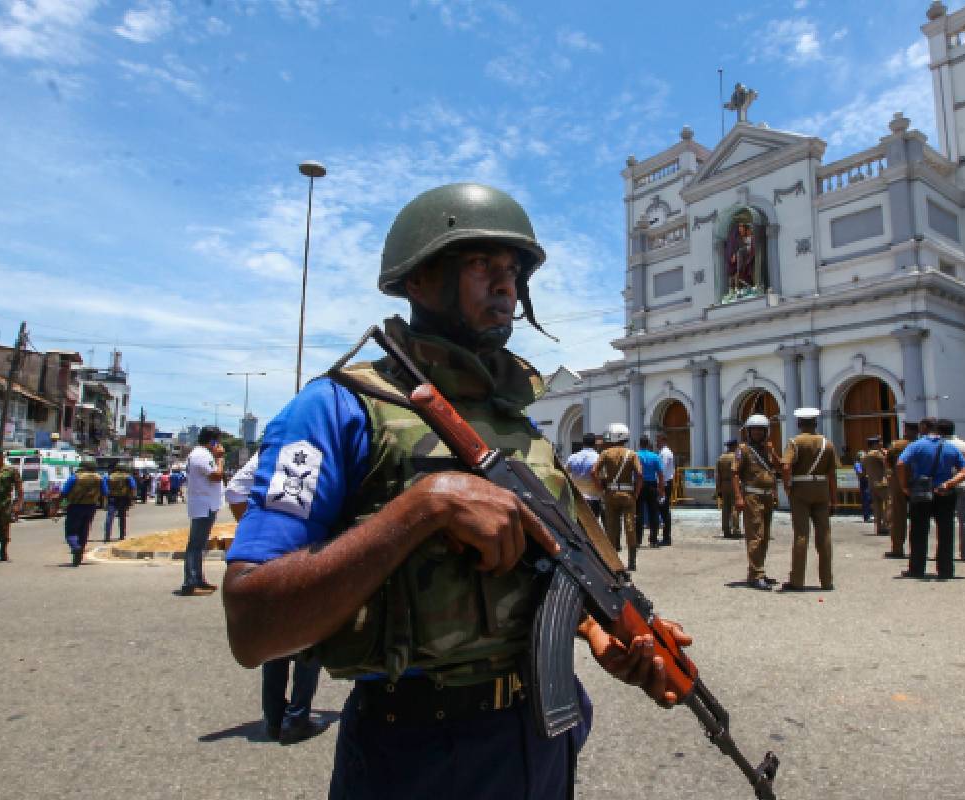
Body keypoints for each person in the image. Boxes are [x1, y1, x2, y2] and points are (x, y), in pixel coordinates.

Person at [222, 184, 689, 797]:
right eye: (481, 265)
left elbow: (544, 571)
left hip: (541, 739)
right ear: (419, 279)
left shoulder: (518, 426)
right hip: (415, 753)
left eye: (515, 271)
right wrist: (425, 506)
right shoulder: (333, 410)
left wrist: (599, 633)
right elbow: (252, 623)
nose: (507, 285)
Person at [226, 453, 325, 744]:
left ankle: (273, 718)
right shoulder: (316, 445)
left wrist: (253, 530)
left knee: (278, 637)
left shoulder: (272, 451)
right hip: (307, 550)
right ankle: (297, 718)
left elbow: (234, 489)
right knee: (310, 639)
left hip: (271, 553)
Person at [896, 420, 965, 580]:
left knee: (918, 532)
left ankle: (916, 569)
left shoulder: (916, 445)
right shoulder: (950, 447)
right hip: (944, 492)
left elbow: (901, 463)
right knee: (945, 532)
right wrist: (950, 483)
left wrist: (904, 486)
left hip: (922, 492)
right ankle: (946, 569)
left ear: (924, 429)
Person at [780, 408, 837, 591]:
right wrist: (834, 499)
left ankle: (797, 580)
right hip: (822, 489)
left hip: (801, 489)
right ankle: (826, 580)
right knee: (825, 534)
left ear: (799, 424)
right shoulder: (827, 444)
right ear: (815, 423)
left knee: (801, 535)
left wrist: (787, 486)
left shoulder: (795, 442)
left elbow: (786, 465)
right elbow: (832, 474)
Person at [735, 414, 780, 590]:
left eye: (761, 430)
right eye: (754, 430)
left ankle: (757, 571)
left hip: (767, 496)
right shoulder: (743, 450)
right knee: (755, 535)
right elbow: (735, 474)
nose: (757, 433)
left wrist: (772, 452)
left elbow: (778, 467)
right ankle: (756, 574)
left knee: (765, 535)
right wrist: (739, 497)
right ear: (748, 431)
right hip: (752, 496)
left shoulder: (767, 450)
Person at [594, 423, 644, 569]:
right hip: (628, 494)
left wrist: (600, 489)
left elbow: (593, 472)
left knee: (611, 527)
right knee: (630, 527)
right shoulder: (632, 454)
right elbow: (640, 474)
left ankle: (612, 560)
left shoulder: (605, 453)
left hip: (610, 494)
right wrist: (636, 493)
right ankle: (632, 561)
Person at [182, 426, 225, 596]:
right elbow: (216, 476)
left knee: (199, 545)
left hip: (206, 504)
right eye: (217, 441)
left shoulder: (203, 454)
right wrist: (220, 458)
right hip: (203, 504)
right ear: (213, 441)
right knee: (196, 545)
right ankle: (191, 582)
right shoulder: (201, 455)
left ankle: (198, 579)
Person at [938, 420, 965, 562]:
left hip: (944, 486)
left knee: (944, 520)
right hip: (962, 484)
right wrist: (961, 474)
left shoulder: (939, 445)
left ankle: (945, 552)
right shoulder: (964, 445)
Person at [60, 459, 106, 566]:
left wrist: (58, 505)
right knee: (84, 529)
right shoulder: (100, 478)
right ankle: (79, 554)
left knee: (71, 531)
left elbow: (64, 492)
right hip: (91, 507)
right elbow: (105, 492)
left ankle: (76, 548)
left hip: (75, 507)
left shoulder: (74, 477)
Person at [884, 422, 918, 559]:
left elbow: (887, 461)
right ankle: (917, 548)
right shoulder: (920, 444)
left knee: (898, 516)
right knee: (919, 516)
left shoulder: (897, 445)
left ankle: (897, 548)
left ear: (906, 430)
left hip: (898, 480)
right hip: (918, 481)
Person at [634, 436, 665, 548]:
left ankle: (637, 540)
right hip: (652, 485)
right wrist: (661, 489)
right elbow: (661, 474)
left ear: (639, 444)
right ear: (648, 444)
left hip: (639, 485)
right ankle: (653, 540)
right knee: (654, 513)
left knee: (639, 513)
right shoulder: (655, 456)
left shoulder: (636, 456)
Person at [566, 433, 604, 521]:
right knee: (592, 528)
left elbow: (565, 473)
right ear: (595, 444)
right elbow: (602, 477)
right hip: (593, 499)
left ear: (583, 443)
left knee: (578, 527)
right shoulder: (599, 458)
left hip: (576, 498)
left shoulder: (573, 457)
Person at [0, 450, 24, 562]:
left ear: (1, 457)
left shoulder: (11, 471)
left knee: (4, 529)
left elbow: (19, 489)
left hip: (4, 505)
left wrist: (18, 504)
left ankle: (3, 549)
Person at [860, 437, 889, 538]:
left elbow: (863, 472)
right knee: (888, 504)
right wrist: (885, 453)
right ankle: (886, 525)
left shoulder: (865, 456)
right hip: (882, 483)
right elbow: (887, 464)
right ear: (875, 444)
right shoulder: (878, 454)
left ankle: (878, 527)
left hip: (871, 484)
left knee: (877, 507)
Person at [103, 461, 136, 542]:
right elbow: (133, 487)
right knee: (122, 517)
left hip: (112, 498)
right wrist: (132, 499)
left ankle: (107, 536)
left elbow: (105, 490)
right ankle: (122, 535)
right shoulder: (128, 477)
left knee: (109, 517)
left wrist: (105, 499)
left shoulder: (109, 476)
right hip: (123, 498)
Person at [715, 439, 742, 538]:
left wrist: (718, 489)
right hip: (734, 483)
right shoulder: (737, 457)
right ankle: (736, 529)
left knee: (725, 507)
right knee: (735, 506)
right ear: (735, 446)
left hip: (724, 484)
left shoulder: (721, 457)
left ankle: (726, 530)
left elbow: (718, 475)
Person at [656, 433, 676, 546]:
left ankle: (666, 537)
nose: (656, 443)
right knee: (664, 510)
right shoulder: (664, 452)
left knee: (664, 510)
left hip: (664, 484)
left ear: (663, 440)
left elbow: (661, 472)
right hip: (666, 483)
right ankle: (665, 536)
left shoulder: (664, 453)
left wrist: (660, 488)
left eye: (658, 440)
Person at [855, 452, 872, 523]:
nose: (865, 458)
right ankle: (866, 517)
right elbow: (860, 473)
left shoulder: (866, 464)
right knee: (866, 499)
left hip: (869, 482)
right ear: (859, 457)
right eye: (863, 457)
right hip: (864, 482)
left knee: (870, 498)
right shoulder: (857, 464)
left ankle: (869, 515)